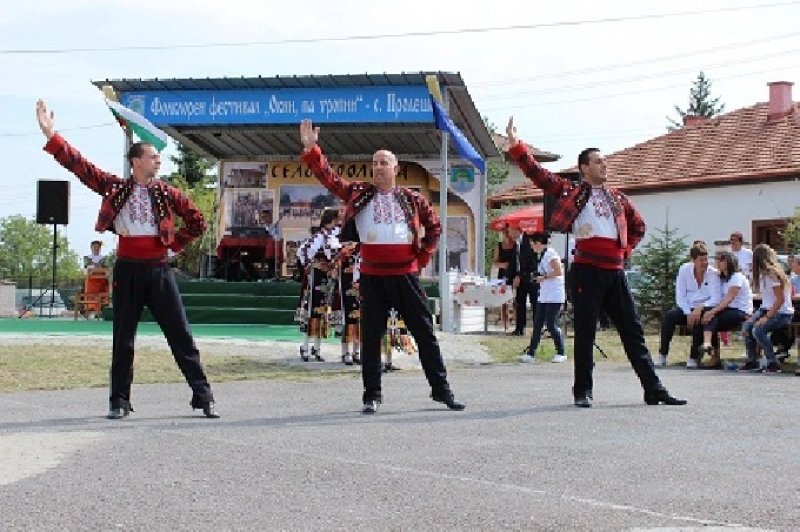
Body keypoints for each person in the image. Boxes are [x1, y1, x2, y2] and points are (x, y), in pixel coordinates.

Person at [36, 99, 219, 419]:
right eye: (153, 157)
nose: (158, 161)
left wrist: (174, 246)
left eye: (159, 157)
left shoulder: (167, 192)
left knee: (180, 334)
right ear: (136, 161)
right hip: (128, 268)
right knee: (124, 339)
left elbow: (198, 221)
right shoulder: (115, 188)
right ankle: (118, 401)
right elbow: (81, 167)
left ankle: (203, 396)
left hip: (160, 270)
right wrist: (53, 137)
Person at [505, 116, 686, 407]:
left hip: (615, 272)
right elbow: (540, 175)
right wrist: (518, 148)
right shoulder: (572, 192)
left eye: (605, 161)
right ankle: (582, 391)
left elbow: (639, 227)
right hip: (587, 270)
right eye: (598, 161)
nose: (605, 165)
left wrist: (625, 251)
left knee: (633, 331)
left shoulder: (619, 199)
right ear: (584, 168)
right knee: (586, 332)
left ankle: (653, 388)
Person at [299, 118, 464, 414]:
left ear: (395, 168)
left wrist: (421, 260)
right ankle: (371, 395)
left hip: (406, 276)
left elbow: (435, 228)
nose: (377, 167)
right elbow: (330, 179)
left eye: (384, 162)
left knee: (425, 333)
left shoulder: (412, 199)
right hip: (372, 276)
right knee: (370, 337)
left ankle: (441, 390)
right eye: (374, 163)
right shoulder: (359, 194)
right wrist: (312, 149)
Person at [657, 243, 720, 368]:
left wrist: (701, 307)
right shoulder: (684, 270)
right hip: (687, 307)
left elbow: (716, 298)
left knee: (698, 319)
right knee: (670, 316)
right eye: (701, 260)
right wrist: (687, 312)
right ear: (693, 260)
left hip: (704, 307)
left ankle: (693, 357)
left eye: (706, 259)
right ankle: (662, 355)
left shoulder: (713, 273)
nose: (705, 263)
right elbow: (680, 295)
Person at [740, 244, 795, 373]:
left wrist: (766, 317)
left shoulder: (772, 275)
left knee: (758, 330)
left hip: (782, 312)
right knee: (747, 328)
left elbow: (780, 300)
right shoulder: (762, 275)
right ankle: (752, 361)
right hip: (765, 308)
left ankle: (772, 363)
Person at [295, 208, 340, 362]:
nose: (337, 223)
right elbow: (302, 253)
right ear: (330, 220)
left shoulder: (333, 236)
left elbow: (336, 254)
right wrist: (314, 265)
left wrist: (331, 266)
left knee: (323, 311)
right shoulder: (318, 237)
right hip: (314, 278)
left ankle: (317, 348)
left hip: (326, 278)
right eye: (335, 220)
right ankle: (305, 347)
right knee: (311, 310)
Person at [695, 251, 752, 368]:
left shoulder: (737, 277)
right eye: (717, 260)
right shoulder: (721, 278)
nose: (718, 262)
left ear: (729, 262)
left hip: (741, 311)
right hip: (727, 311)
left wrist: (711, 312)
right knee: (709, 318)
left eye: (721, 260)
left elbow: (728, 300)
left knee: (711, 317)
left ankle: (709, 348)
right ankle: (709, 352)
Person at [520, 232, 567, 363]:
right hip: (545, 294)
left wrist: (544, 277)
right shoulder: (542, 255)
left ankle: (561, 352)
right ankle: (531, 353)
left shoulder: (551, 253)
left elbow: (558, 271)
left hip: (555, 294)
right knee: (537, 323)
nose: (532, 247)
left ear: (539, 242)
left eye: (532, 244)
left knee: (551, 324)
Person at [492, 223, 517, 332]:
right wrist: (502, 265)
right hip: (502, 275)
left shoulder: (516, 245)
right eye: (504, 232)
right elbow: (495, 262)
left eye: (507, 232)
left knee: (515, 300)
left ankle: (516, 324)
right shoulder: (499, 246)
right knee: (503, 301)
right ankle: (505, 326)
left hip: (514, 273)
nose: (506, 234)